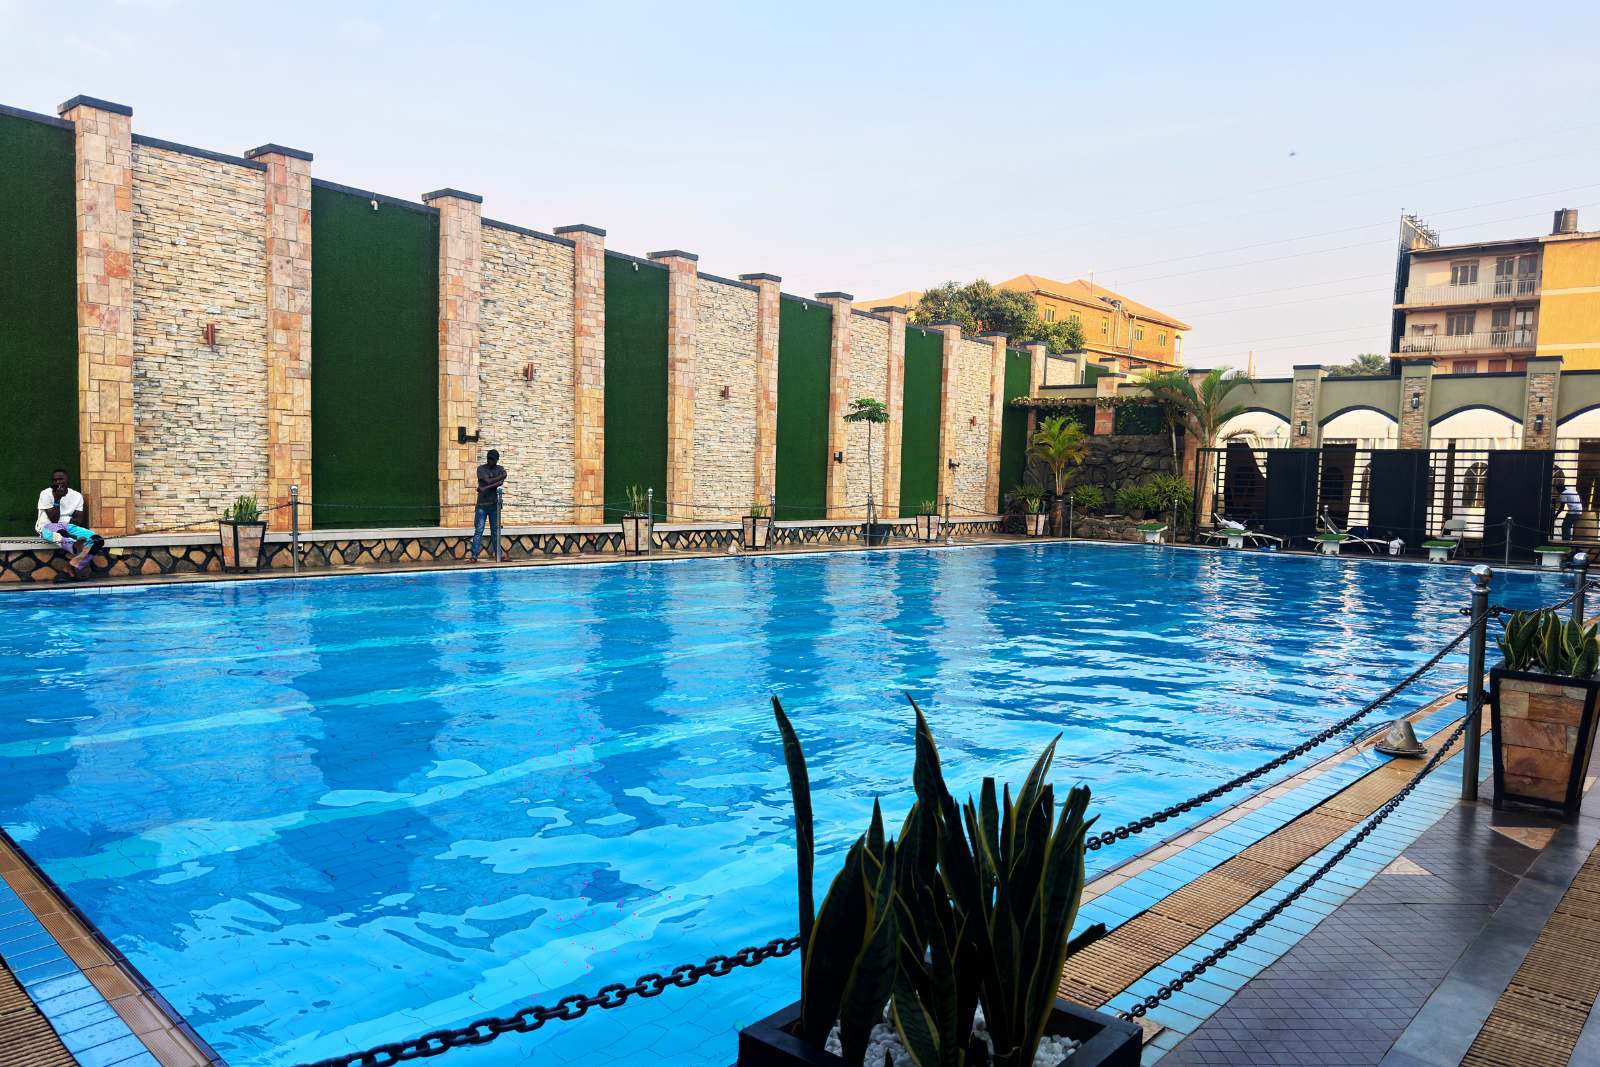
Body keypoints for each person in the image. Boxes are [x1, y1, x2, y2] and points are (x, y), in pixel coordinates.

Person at [36, 469, 101, 579]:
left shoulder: (77, 496)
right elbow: (54, 520)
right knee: (60, 533)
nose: (57, 482)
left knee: (97, 540)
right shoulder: (46, 494)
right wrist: (57, 499)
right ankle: (75, 546)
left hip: (69, 526)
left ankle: (70, 567)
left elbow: (79, 521)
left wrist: (65, 519)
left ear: (67, 479)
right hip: (47, 526)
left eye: (60, 479)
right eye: (55, 480)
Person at [472, 449, 507, 562]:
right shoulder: (481, 469)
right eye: (489, 458)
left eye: (492, 459)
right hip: (482, 506)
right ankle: (474, 556)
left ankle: (499, 556)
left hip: (494, 506)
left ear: (497, 460)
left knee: (495, 531)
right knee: (479, 531)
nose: (490, 460)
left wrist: (485, 488)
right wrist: (498, 479)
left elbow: (501, 481)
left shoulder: (500, 468)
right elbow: (487, 481)